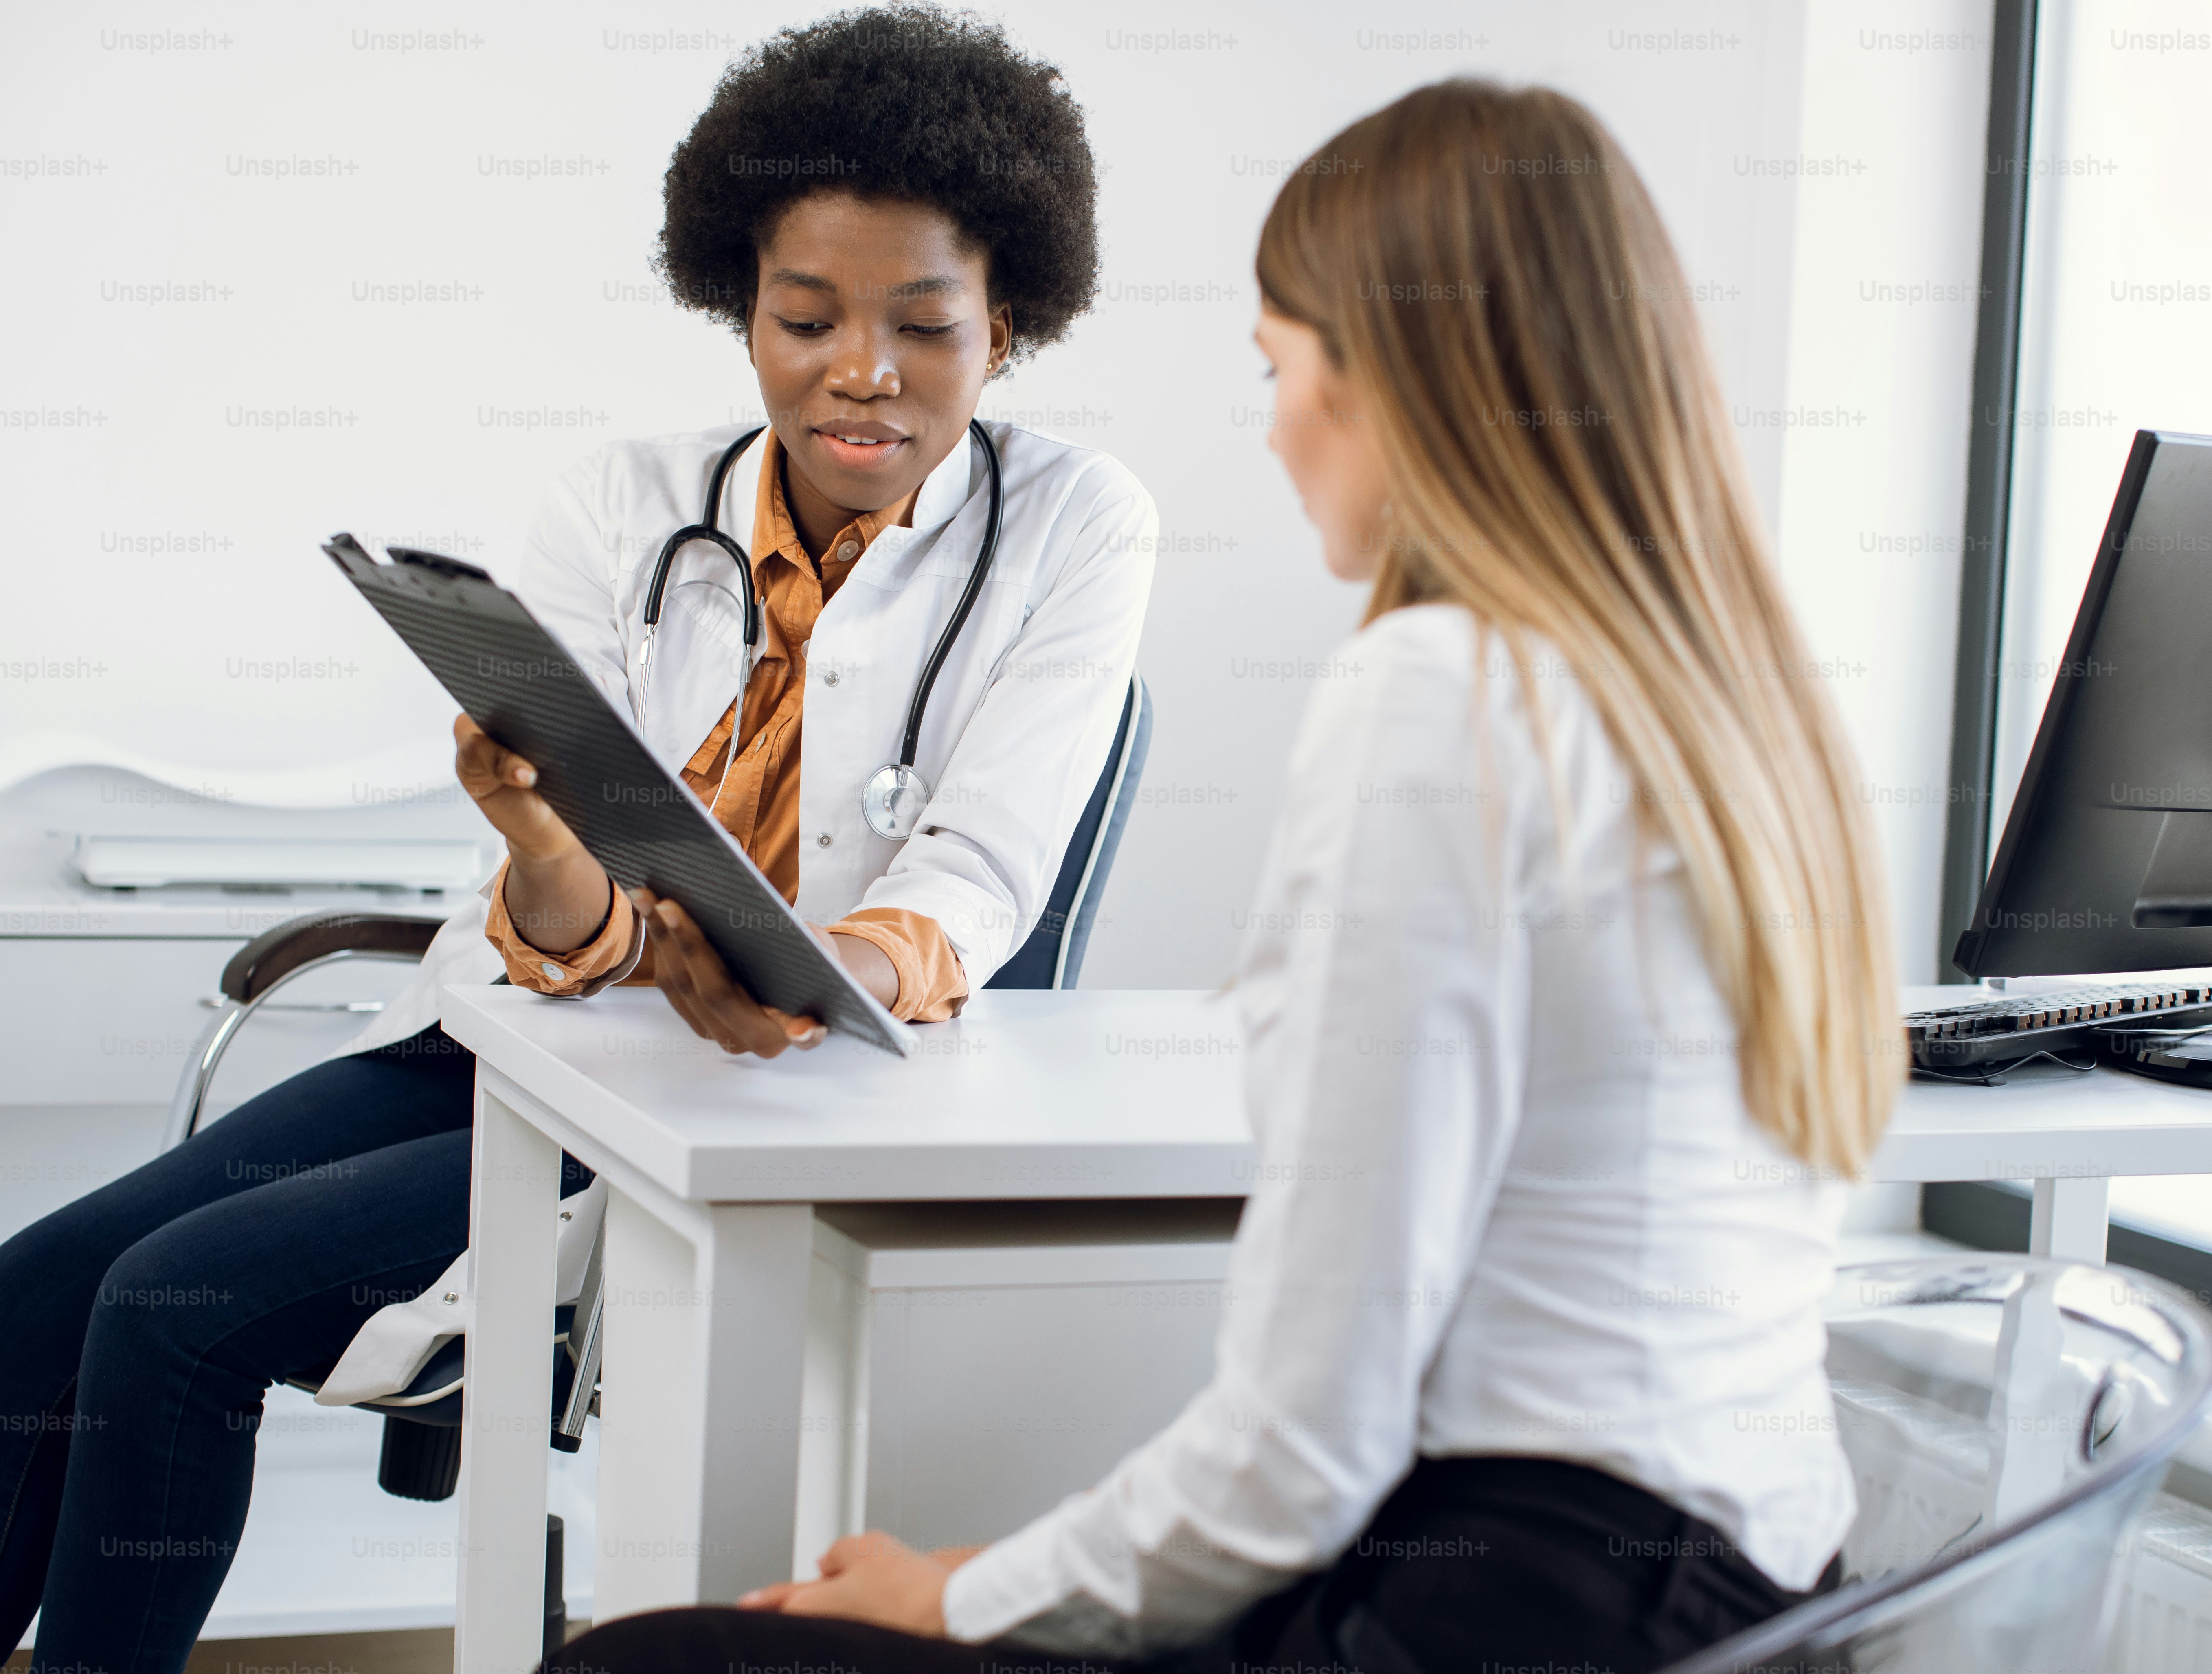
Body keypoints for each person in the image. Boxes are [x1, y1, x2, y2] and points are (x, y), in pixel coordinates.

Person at [0, 11, 1150, 1673]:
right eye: (803, 318)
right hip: (525, 1045)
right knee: (36, 1284)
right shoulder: (631, 497)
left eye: (924, 325)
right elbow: (567, 915)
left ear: (1010, 323)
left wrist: (820, 969)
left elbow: (981, 868)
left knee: (170, 1313)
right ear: (739, 310)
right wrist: (532, 828)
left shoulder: (1077, 527)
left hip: (751, 1093)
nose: (860, 372)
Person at [554, 77, 1902, 1674]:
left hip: (1493, 1608)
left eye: (1283, 370)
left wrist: (958, 1593)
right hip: (1743, 1588)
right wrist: (1008, 1568)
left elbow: (1300, 1446)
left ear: (1401, 378)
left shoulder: (1447, 695)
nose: (1273, 428)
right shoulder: (1739, 698)